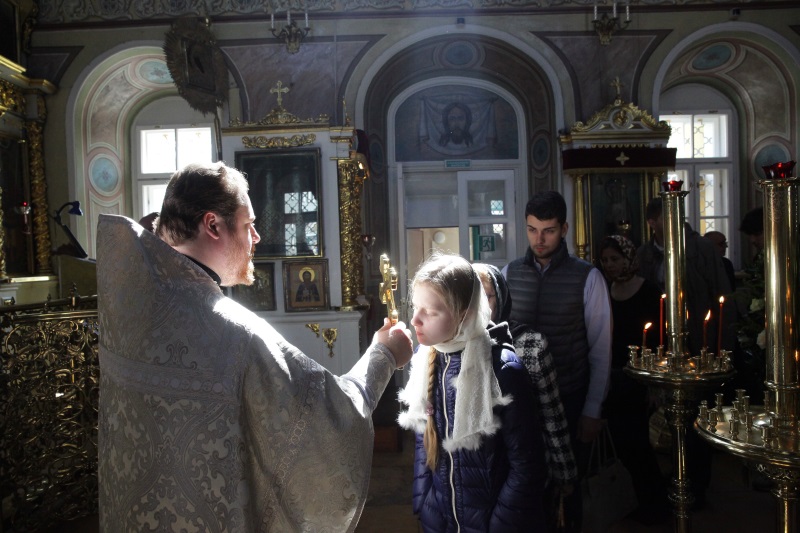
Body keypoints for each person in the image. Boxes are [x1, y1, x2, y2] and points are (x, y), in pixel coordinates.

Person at [95, 162, 413, 532]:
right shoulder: (235, 334)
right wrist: (384, 354)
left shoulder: (128, 310)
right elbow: (332, 417)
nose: (257, 237)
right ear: (213, 225)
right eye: (249, 224)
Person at [398, 253, 546, 532]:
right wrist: (424, 502)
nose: (415, 319)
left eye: (430, 312)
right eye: (415, 307)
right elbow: (424, 443)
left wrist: (500, 524)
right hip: (440, 518)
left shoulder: (502, 369)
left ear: (464, 314)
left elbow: (528, 465)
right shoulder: (427, 360)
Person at [502, 190, 612, 533]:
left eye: (548, 231)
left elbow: (601, 349)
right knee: (524, 482)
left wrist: (593, 409)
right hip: (521, 401)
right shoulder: (509, 273)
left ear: (564, 229)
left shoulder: (587, 277)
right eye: (532, 230)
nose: (539, 239)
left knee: (568, 485)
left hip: (570, 396)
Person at [474, 262, 577, 528]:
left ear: (501, 298)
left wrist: (564, 473)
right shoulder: (453, 346)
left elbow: (551, 415)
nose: (480, 306)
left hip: (524, 471)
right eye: (472, 296)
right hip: (476, 478)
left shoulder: (530, 344)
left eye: (487, 296)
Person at [597, 235, 669, 523]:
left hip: (640, 378)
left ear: (628, 258)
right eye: (605, 260)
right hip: (613, 377)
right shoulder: (605, 289)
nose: (610, 265)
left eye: (615, 259)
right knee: (621, 444)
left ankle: (655, 505)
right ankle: (632, 500)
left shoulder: (648, 291)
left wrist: (655, 383)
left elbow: (660, 340)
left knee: (639, 444)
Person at [636, 197, 733, 355]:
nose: (675, 222)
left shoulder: (702, 248)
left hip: (698, 331)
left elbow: (721, 292)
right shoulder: (643, 254)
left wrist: (724, 345)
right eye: (668, 217)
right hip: (660, 334)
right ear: (652, 223)